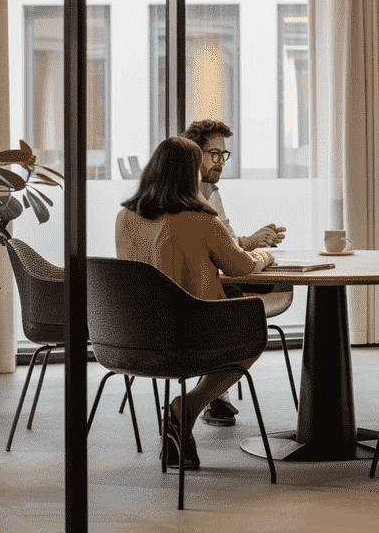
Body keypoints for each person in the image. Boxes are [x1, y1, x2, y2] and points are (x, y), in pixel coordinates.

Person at [115, 136, 275, 469]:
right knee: (253, 337)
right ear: (192, 175)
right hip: (189, 338)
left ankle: (182, 423)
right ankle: (187, 407)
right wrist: (263, 254)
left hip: (133, 339)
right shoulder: (202, 219)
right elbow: (242, 266)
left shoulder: (125, 217)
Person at [182, 119, 287, 426]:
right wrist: (261, 253)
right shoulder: (197, 210)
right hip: (194, 307)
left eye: (223, 155)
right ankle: (207, 396)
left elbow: (222, 244)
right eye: (212, 154)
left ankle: (215, 395)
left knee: (233, 301)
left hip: (142, 326)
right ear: (193, 155)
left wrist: (248, 241)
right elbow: (236, 261)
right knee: (248, 325)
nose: (220, 162)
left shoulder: (129, 215)